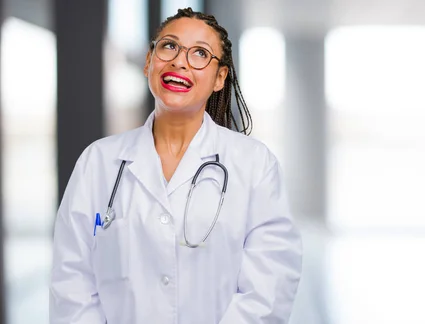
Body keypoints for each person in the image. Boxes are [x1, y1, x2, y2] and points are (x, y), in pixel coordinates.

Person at [49, 7, 302, 324]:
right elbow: (71, 280)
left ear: (219, 78)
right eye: (169, 46)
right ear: (148, 62)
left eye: (200, 53)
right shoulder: (98, 162)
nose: (180, 61)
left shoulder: (254, 164)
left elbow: (270, 285)